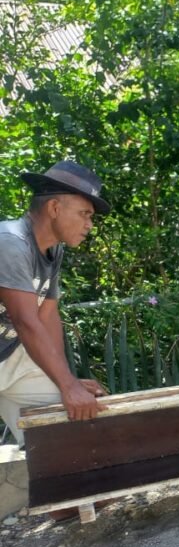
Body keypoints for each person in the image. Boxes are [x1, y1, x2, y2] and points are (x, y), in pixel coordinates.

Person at [0, 161, 110, 449]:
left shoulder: (52, 249)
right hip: (14, 346)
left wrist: (67, 382)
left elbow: (47, 315)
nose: (90, 225)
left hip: (9, 358)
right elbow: (26, 321)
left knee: (66, 430)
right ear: (54, 209)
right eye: (84, 213)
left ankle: (82, 489)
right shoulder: (10, 243)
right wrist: (68, 385)